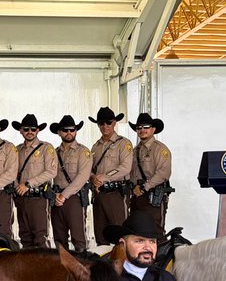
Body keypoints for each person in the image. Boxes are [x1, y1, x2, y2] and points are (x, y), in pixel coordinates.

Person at [11, 114, 57, 249]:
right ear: (21, 130)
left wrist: (28, 184)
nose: (29, 132)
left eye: (33, 129)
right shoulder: (16, 150)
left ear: (38, 130)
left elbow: (51, 172)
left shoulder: (46, 148)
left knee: (40, 236)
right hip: (21, 198)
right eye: (26, 129)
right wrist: (16, 187)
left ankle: (43, 269)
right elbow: (12, 172)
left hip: (38, 199)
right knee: (24, 236)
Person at [88, 107, 133, 243]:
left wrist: (105, 177)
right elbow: (89, 169)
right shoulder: (95, 147)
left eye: (108, 122)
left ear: (114, 123)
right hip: (99, 194)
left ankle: (123, 264)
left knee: (120, 235)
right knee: (101, 235)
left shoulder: (123, 144)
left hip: (116, 195)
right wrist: (93, 178)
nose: (105, 126)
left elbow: (126, 167)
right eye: (101, 123)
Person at [50, 115, 93, 252]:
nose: (69, 133)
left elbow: (83, 177)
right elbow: (48, 173)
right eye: (65, 130)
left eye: (72, 130)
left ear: (75, 131)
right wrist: (55, 195)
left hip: (74, 197)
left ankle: (82, 268)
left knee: (78, 237)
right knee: (59, 239)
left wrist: (64, 195)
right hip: (56, 197)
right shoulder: (54, 153)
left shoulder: (83, 151)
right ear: (59, 132)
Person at [127, 112, 172, 233]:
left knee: (155, 230)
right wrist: (134, 188)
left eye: (146, 127)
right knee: (137, 231)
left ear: (153, 129)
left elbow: (163, 173)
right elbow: (130, 173)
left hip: (153, 195)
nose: (142, 130)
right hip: (137, 195)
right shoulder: (136, 150)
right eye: (139, 127)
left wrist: (144, 187)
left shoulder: (160, 149)